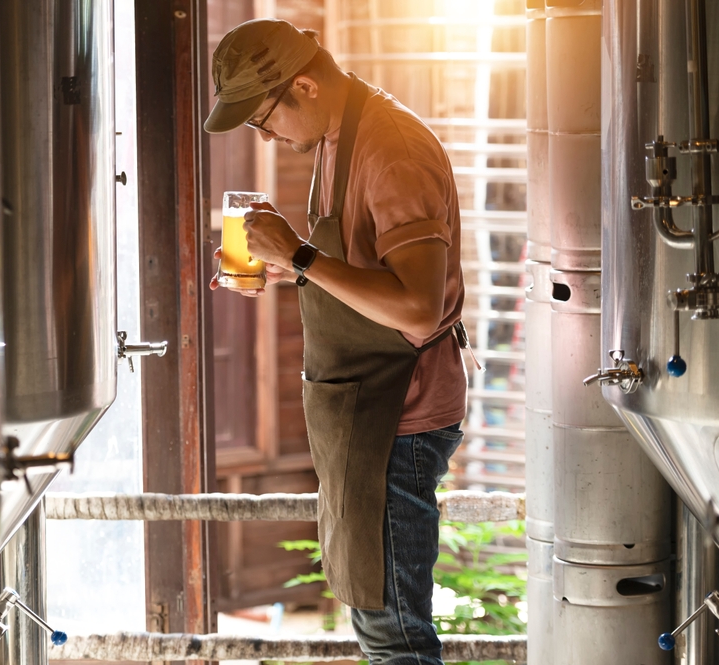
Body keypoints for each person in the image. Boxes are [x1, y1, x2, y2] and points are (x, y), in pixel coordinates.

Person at [204, 18, 470, 665]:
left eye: (264, 120)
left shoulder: (391, 148)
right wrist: (284, 265)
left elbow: (416, 306)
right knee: (379, 624)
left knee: (396, 637)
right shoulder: (333, 138)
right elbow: (363, 271)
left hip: (397, 420)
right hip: (365, 416)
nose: (265, 136)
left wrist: (298, 254)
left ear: (304, 84)